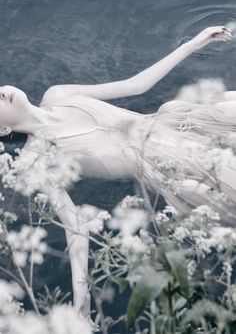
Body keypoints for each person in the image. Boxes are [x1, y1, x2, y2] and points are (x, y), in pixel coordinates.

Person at [0, 26, 235, 329]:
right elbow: (75, 228)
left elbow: (136, 85)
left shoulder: (58, 94)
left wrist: (193, 43)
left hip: (176, 125)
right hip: (168, 167)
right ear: (2, 131)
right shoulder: (35, 161)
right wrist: (81, 309)